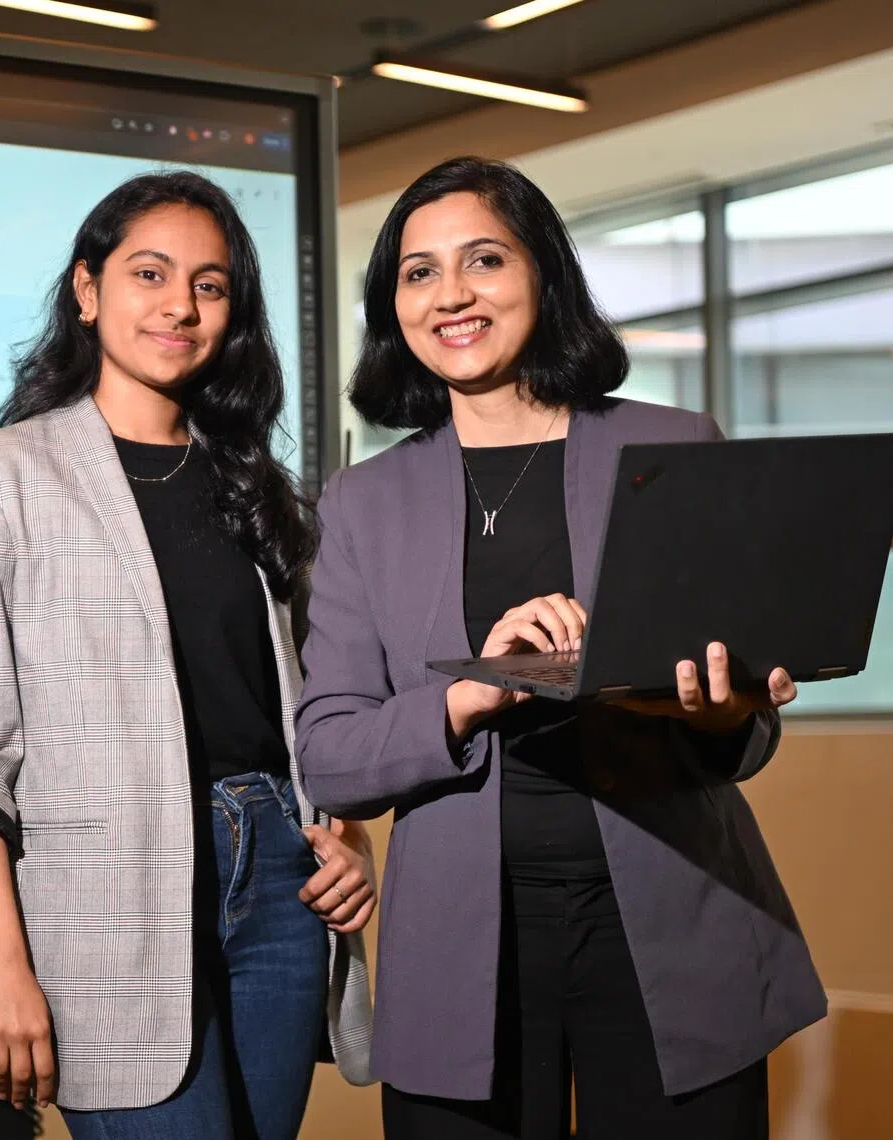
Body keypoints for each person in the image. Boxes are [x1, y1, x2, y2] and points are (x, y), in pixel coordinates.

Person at [294, 156, 825, 1139]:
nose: (451, 294)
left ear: (542, 272)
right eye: (418, 272)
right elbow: (330, 754)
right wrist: (472, 693)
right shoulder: (363, 503)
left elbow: (744, 732)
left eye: (484, 260)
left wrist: (723, 715)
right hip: (459, 945)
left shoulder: (673, 445)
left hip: (671, 926)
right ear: (394, 306)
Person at [0, 170, 374, 1140]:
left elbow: (305, 703)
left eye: (210, 285)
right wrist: (0, 964)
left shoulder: (259, 486)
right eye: (150, 274)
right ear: (88, 289)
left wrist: (346, 834)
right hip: (100, 901)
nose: (180, 306)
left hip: (278, 878)